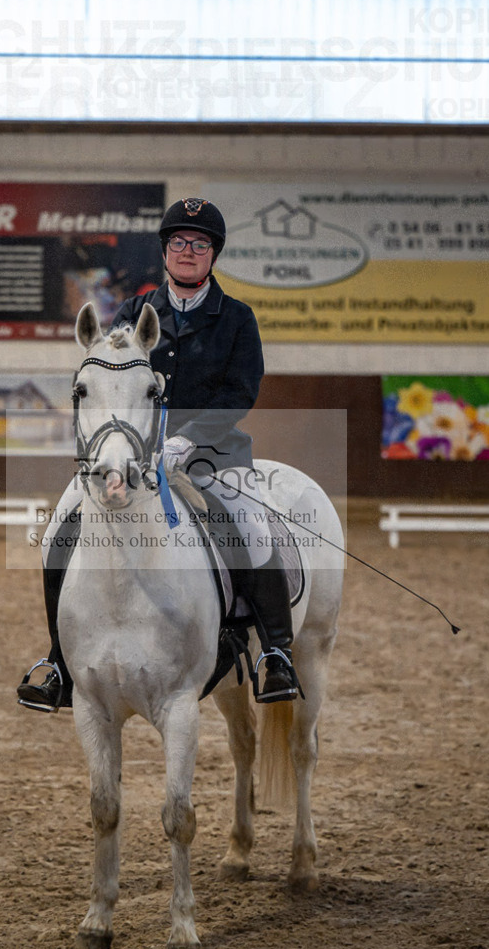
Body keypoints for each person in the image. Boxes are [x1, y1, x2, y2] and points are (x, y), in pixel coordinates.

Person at [17, 197, 301, 711]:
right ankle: (59, 659)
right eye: (178, 242)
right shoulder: (133, 313)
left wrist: (186, 439)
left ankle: (276, 653)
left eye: (199, 244)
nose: (187, 251)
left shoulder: (237, 318)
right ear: (165, 251)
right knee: (61, 522)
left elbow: (240, 393)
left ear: (213, 254)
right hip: (134, 455)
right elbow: (112, 381)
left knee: (250, 523)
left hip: (214, 453)